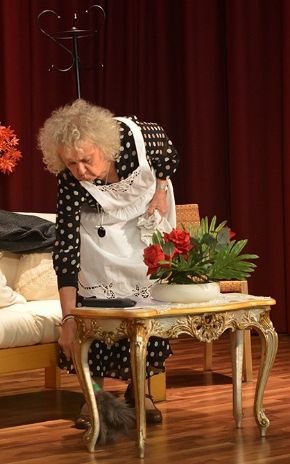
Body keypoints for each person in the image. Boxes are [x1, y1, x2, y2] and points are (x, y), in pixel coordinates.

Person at [38, 99, 179, 428]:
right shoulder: (70, 180)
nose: (80, 171)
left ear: (105, 146)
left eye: (86, 159)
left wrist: (159, 189)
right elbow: (66, 246)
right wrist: (69, 319)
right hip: (100, 232)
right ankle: (94, 395)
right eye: (71, 163)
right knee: (94, 311)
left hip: (147, 215)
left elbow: (168, 155)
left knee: (148, 310)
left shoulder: (137, 138)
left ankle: (140, 390)